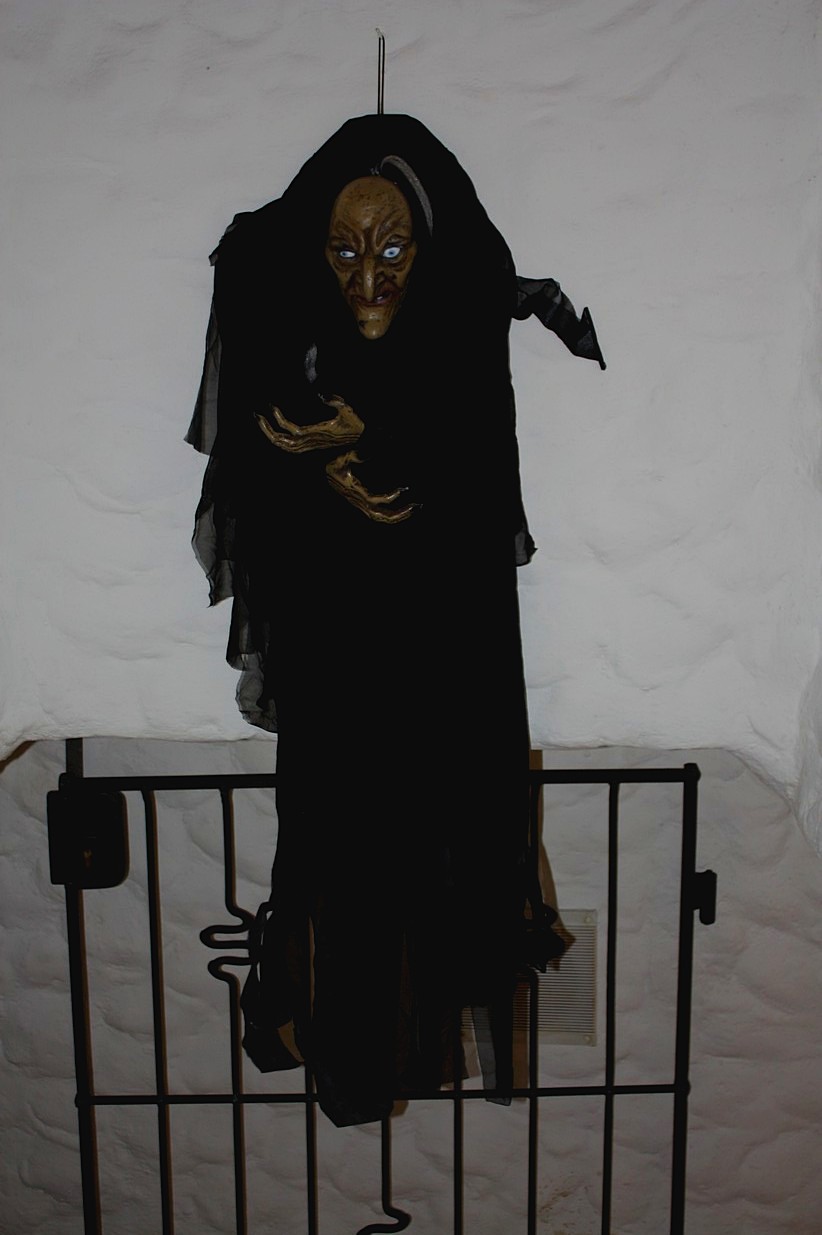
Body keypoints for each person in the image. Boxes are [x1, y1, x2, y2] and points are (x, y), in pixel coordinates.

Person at [187, 113, 604, 1127]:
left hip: (439, 662)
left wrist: (382, 446)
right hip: (333, 664)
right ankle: (344, 1030)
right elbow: (253, 468)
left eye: (391, 251)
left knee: (433, 821)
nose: (368, 279)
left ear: (426, 250)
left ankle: (404, 1019)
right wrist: (325, 463)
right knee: (333, 830)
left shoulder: (458, 350)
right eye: (342, 253)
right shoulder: (286, 338)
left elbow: (474, 488)